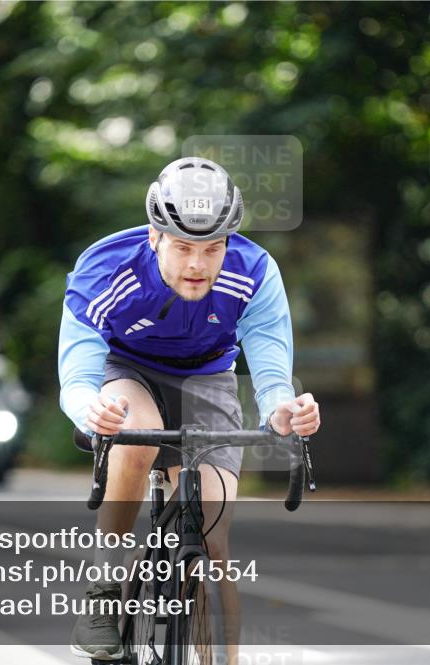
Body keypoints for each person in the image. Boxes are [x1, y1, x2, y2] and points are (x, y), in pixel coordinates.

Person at [58, 157, 321, 661]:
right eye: (183, 248)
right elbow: (78, 370)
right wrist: (89, 409)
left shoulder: (255, 271)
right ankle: (104, 592)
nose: (198, 265)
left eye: (212, 249)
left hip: (208, 377)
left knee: (213, 542)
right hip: (128, 371)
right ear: (155, 238)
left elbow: (269, 368)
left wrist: (281, 411)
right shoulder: (105, 267)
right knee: (139, 436)